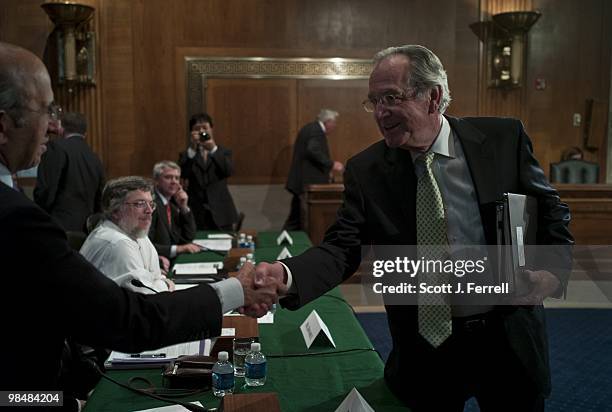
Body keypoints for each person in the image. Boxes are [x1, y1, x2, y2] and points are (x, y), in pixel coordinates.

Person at [253, 45, 573, 411]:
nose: (380, 112)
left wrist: (553, 273)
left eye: (392, 97)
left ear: (432, 97)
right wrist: (287, 274)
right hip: (426, 349)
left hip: (508, 337)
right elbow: (342, 249)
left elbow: (551, 210)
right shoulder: (367, 171)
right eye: (374, 101)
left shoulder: (503, 140)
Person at [0, 41, 276, 410]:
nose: (53, 127)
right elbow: (127, 318)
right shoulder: (16, 218)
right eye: (47, 110)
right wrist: (235, 290)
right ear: (3, 126)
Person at [80, 176, 176, 294]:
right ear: (115, 210)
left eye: (151, 204)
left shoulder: (137, 233)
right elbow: (147, 295)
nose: (149, 210)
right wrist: (165, 284)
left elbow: (155, 276)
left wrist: (160, 282)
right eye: (140, 204)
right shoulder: (118, 243)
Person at [34, 111, 105, 233]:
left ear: (61, 128)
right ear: (85, 133)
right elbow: (101, 198)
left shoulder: (55, 148)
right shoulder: (94, 157)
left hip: (58, 226)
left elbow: (46, 190)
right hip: (87, 229)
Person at [284, 109, 344, 230]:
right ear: (328, 122)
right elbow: (313, 150)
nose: (335, 126)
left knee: (296, 218)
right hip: (306, 183)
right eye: (334, 123)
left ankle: (286, 241)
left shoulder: (310, 128)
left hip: (302, 182)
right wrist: (331, 164)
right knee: (297, 219)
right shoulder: (316, 130)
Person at [178, 112, 238, 231]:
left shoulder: (223, 152)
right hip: (196, 210)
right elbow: (183, 174)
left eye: (205, 128)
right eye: (197, 129)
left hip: (221, 210)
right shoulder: (187, 155)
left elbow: (228, 171)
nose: (201, 132)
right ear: (191, 132)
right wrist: (193, 150)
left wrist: (213, 149)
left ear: (211, 129)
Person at [148, 160, 201, 260]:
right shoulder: (151, 205)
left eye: (177, 178)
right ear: (156, 181)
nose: (174, 182)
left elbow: (189, 236)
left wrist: (184, 207)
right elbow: (146, 244)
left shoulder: (172, 202)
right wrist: (177, 249)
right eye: (168, 177)